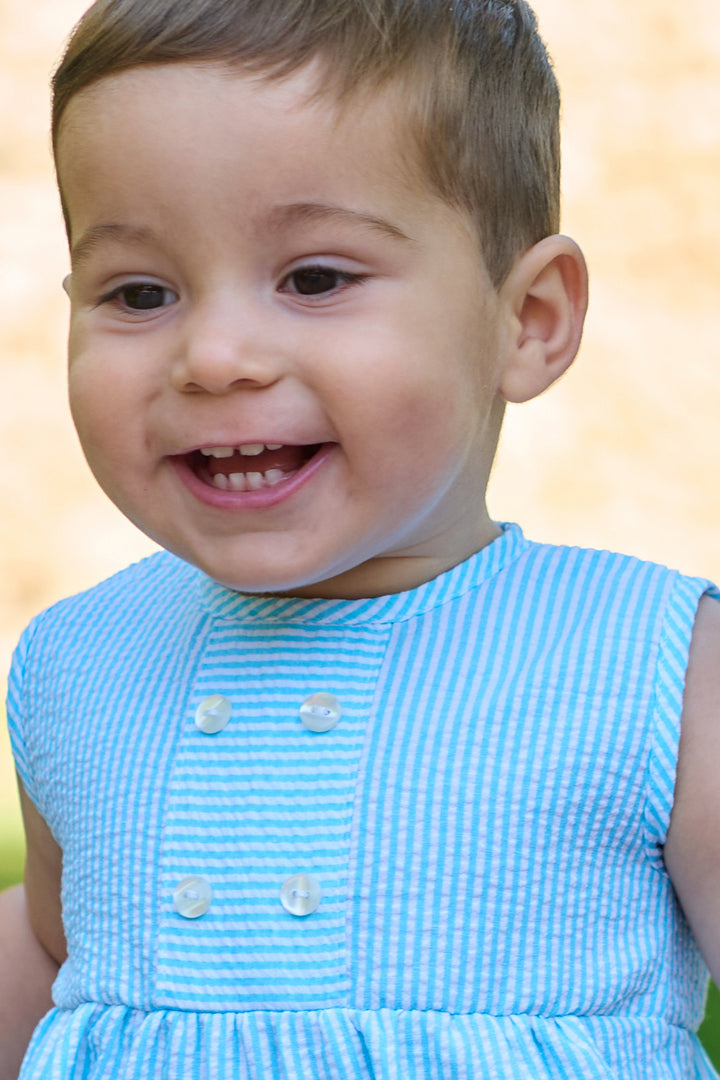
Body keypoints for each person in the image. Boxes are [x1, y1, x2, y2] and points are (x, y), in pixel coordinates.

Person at [2, 0, 720, 1076]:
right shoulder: (76, 665)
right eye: (140, 292)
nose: (217, 355)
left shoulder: (650, 665)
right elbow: (60, 953)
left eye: (315, 278)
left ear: (526, 321)